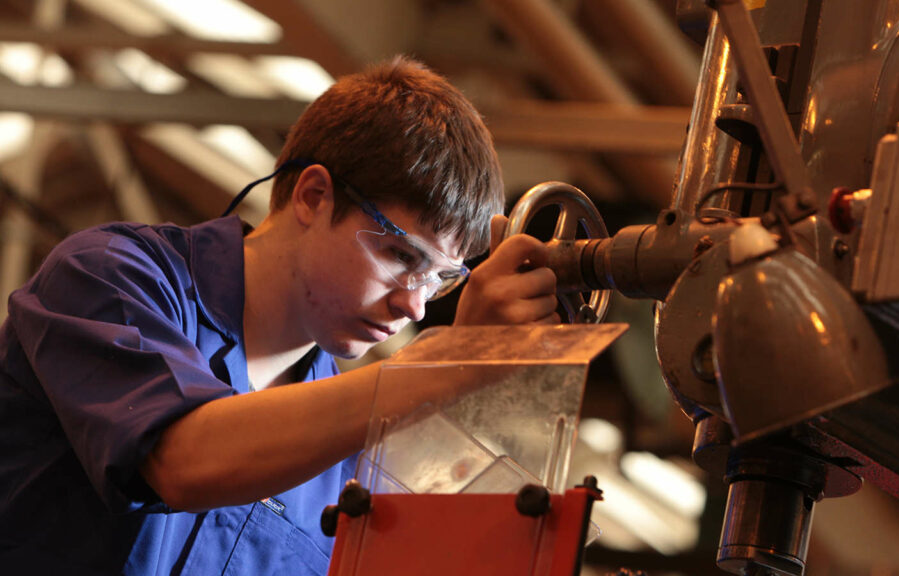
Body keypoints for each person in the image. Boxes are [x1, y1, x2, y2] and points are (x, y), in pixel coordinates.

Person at [0, 56, 559, 575]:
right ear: (314, 196)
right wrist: (443, 367)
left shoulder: (346, 461)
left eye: (440, 280)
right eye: (400, 255)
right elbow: (182, 461)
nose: (413, 304)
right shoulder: (112, 278)